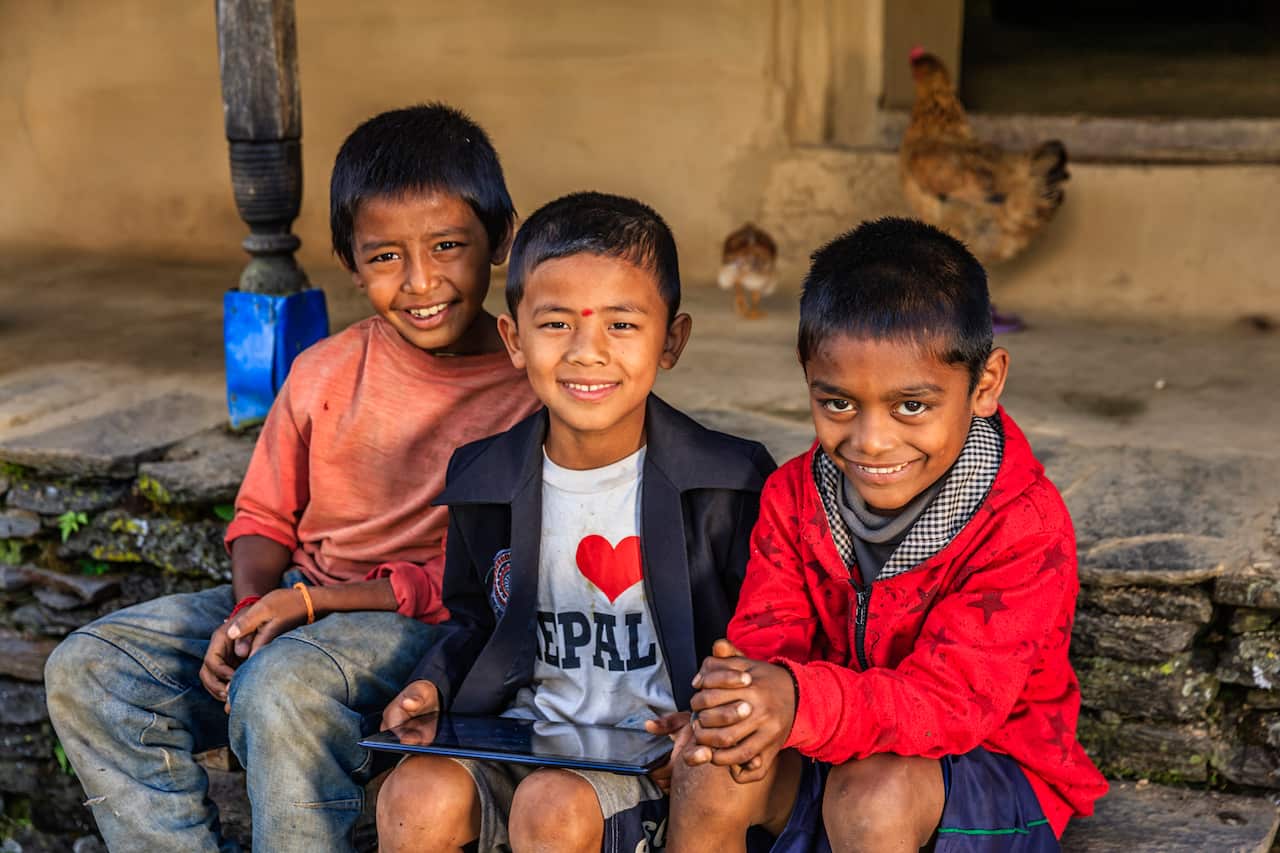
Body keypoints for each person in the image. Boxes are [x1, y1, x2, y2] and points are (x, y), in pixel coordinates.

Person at [43, 103, 542, 853]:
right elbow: (263, 518)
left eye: (447, 246)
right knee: (89, 667)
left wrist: (307, 606)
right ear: (348, 260)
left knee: (282, 683)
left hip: (424, 628)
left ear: (501, 238)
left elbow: (488, 581)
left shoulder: (531, 390)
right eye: (384, 257)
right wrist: (248, 614)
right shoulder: (323, 371)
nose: (419, 281)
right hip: (301, 603)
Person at [670, 218, 1108, 853]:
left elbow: (951, 705)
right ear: (807, 375)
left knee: (871, 797)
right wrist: (735, 711)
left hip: (985, 771)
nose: (871, 442)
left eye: (912, 406)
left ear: (984, 384)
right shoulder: (793, 498)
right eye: (839, 403)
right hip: (828, 743)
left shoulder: (1021, 527)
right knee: (710, 763)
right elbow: (769, 642)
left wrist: (796, 700)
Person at [374, 191, 776, 853]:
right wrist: (432, 683)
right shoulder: (485, 478)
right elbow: (475, 617)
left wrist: (711, 722)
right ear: (514, 338)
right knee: (413, 795)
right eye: (557, 324)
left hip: (650, 755)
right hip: (522, 734)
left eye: (621, 325)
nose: (588, 352)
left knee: (552, 805)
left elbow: (760, 637)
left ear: (671, 339)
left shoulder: (728, 483)